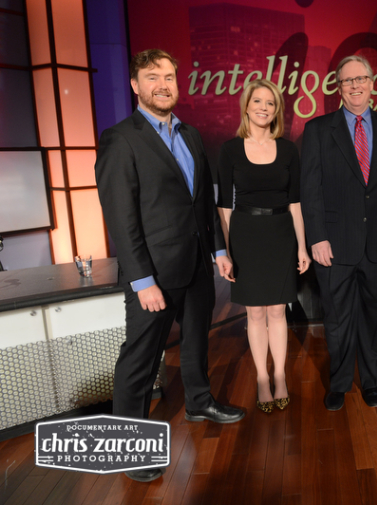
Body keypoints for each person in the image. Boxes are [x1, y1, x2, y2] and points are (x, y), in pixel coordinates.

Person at [95, 49, 244, 483]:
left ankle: (199, 402)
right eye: (151, 76)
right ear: (135, 86)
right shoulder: (120, 139)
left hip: (197, 266)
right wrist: (142, 281)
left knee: (197, 343)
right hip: (153, 275)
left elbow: (202, 202)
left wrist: (218, 250)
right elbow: (121, 218)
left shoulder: (191, 134)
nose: (163, 84)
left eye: (169, 76)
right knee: (140, 361)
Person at [300, 55, 377, 411]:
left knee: (376, 317)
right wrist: (316, 236)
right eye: (347, 81)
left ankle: (371, 380)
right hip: (333, 245)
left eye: (361, 79)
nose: (355, 86)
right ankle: (339, 382)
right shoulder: (318, 129)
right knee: (337, 318)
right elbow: (310, 188)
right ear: (338, 86)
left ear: (372, 83)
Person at [215, 79, 310, 413]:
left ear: (277, 109)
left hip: (281, 233)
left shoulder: (288, 149)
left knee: (277, 310)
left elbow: (296, 203)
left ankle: (280, 376)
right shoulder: (229, 149)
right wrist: (224, 252)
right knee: (254, 311)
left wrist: (302, 247)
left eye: (270, 103)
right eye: (258, 101)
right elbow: (224, 206)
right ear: (246, 105)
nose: (264, 108)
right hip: (245, 235)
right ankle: (261, 378)